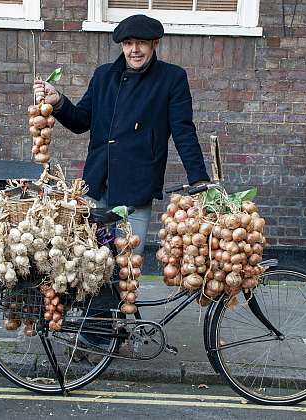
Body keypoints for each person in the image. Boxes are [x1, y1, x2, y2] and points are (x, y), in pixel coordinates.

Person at [34, 14, 209, 256]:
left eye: (141, 43)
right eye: (128, 43)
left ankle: (126, 296)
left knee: (128, 265)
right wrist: (59, 102)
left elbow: (183, 132)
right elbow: (81, 121)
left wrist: (199, 179)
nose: (134, 50)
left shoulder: (172, 78)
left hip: (137, 187)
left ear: (154, 43)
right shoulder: (104, 75)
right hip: (97, 184)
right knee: (93, 262)